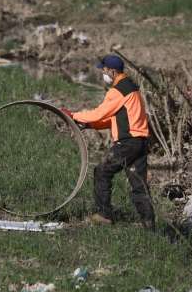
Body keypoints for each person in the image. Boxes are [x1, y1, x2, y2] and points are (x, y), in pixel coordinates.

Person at [63, 55, 156, 229]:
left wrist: (73, 115)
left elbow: (99, 113)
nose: (102, 73)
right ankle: (149, 224)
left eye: (104, 70)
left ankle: (104, 215)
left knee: (102, 172)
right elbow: (115, 120)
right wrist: (89, 125)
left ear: (112, 71)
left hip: (127, 143)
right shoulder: (132, 88)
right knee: (139, 185)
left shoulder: (118, 91)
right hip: (140, 143)